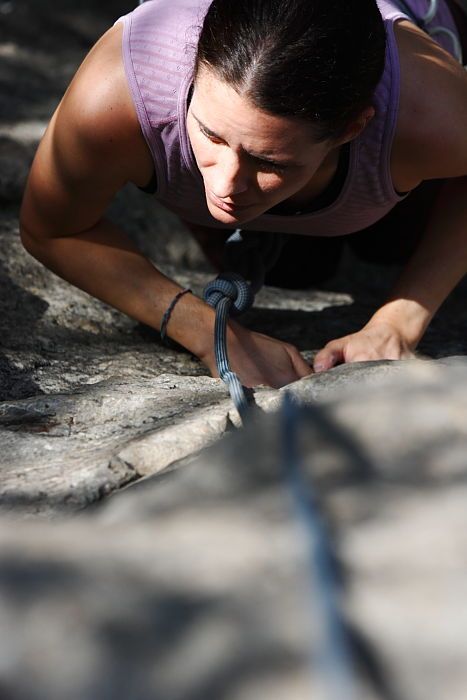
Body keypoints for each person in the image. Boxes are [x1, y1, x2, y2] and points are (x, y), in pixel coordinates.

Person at [19, 0, 467, 389]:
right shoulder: (121, 91)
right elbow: (54, 230)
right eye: (210, 135)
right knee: (297, 269)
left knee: (389, 245)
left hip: (392, 127)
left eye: (269, 162)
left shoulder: (428, 116)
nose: (225, 185)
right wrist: (208, 332)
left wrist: (401, 319)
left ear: (352, 129)